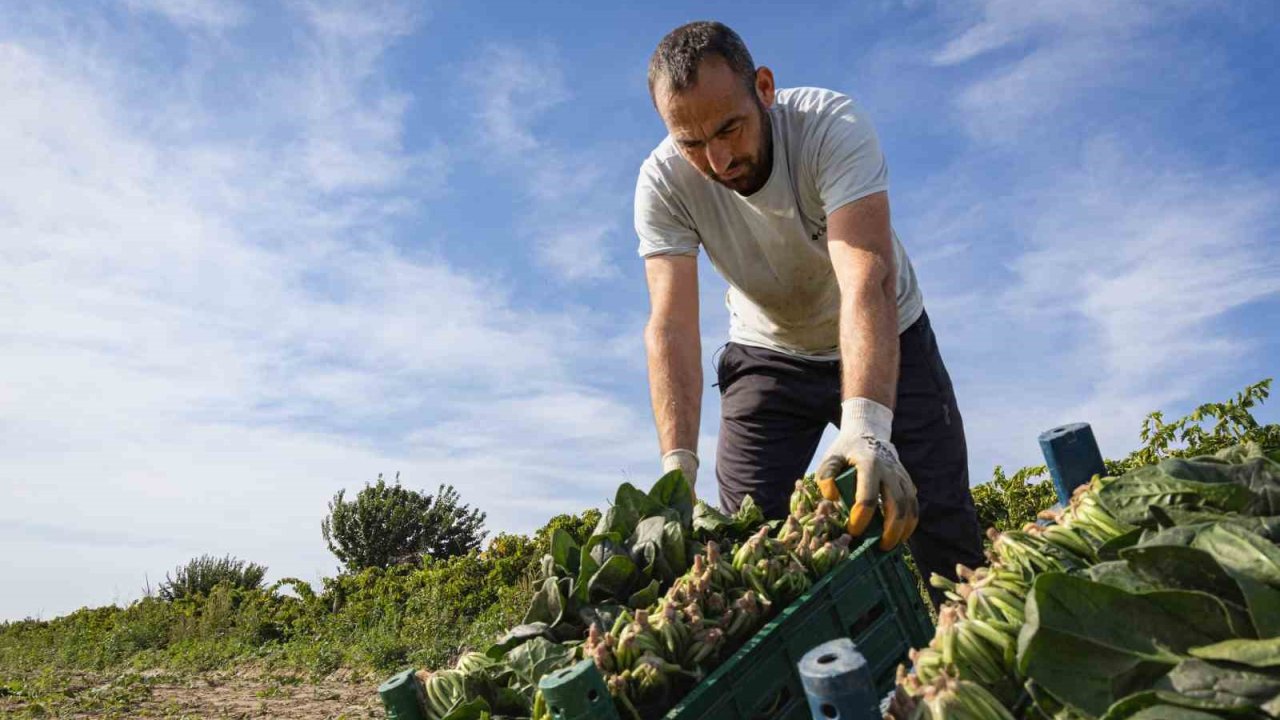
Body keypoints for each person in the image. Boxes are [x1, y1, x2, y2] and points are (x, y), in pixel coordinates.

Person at [634, 20, 984, 602]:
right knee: (747, 547)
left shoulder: (830, 127)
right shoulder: (662, 184)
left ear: (764, 89)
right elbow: (670, 325)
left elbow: (865, 274)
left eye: (730, 129)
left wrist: (869, 429)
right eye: (691, 143)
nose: (717, 160)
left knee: (944, 530)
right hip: (769, 353)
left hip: (883, 332)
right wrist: (678, 467)